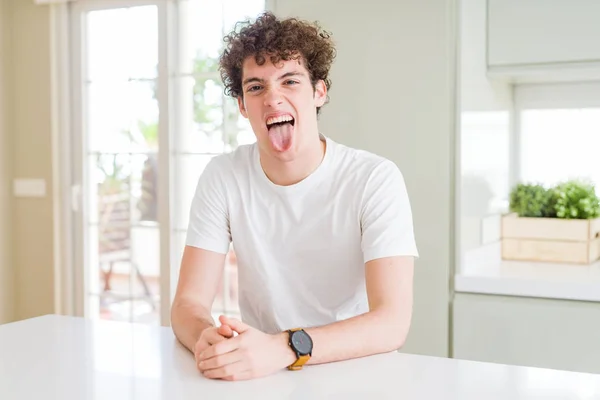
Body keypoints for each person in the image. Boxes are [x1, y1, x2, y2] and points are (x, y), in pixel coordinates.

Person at [170, 11, 419, 381]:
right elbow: (187, 304)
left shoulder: (374, 179)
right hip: (262, 373)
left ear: (319, 92)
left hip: (355, 369)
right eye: (256, 87)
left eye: (289, 81)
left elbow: (392, 323)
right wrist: (204, 337)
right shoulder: (223, 176)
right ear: (242, 105)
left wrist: (285, 347)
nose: (273, 98)